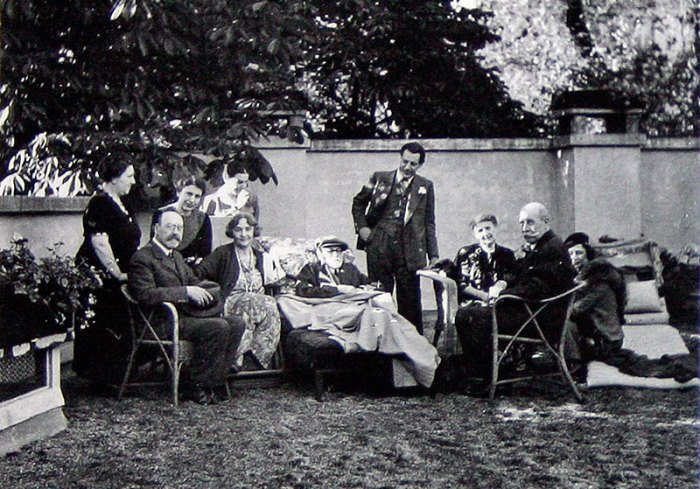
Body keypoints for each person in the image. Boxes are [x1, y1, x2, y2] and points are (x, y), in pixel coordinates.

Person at [277, 236, 441, 388]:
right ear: (321, 253)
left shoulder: (350, 269)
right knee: (378, 316)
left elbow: (372, 284)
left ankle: (423, 361)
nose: (336, 255)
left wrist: (369, 287)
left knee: (388, 319)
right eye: (330, 251)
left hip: (357, 308)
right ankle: (422, 363)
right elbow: (304, 291)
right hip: (332, 310)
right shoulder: (312, 269)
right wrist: (338, 290)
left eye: (338, 251)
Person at [454, 202, 577, 390]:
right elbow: (520, 275)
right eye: (522, 223)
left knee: (468, 316)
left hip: (541, 319)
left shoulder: (552, 248)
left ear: (546, 222)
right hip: (533, 312)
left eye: (530, 222)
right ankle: (489, 371)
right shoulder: (540, 245)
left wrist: (502, 295)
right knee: (472, 313)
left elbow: (537, 288)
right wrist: (503, 283)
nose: (525, 228)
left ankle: (488, 375)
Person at [128, 209, 245, 404]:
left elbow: (193, 280)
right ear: (156, 228)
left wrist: (208, 290)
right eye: (170, 227)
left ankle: (214, 381)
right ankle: (195, 385)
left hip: (184, 318)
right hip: (160, 323)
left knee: (236, 323)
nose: (175, 233)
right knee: (218, 326)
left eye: (179, 228)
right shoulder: (142, 258)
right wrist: (185, 292)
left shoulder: (176, 256)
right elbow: (145, 294)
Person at [351, 141, 439, 333]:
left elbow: (429, 222)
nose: (407, 167)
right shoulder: (379, 178)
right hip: (379, 246)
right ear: (400, 158)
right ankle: (378, 342)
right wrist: (363, 228)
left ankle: (412, 345)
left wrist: (433, 255)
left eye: (413, 164)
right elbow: (358, 203)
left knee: (410, 302)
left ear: (420, 165)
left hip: (410, 251)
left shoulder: (425, 186)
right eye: (405, 161)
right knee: (380, 297)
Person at [73, 150, 142, 386]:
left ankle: (118, 374)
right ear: (114, 178)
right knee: (103, 321)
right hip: (100, 273)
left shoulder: (125, 203)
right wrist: (117, 273)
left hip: (120, 271)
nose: (133, 181)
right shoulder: (99, 204)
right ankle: (101, 377)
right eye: (129, 176)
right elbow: (100, 243)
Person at [196, 212, 284, 370]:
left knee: (271, 305)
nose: (243, 234)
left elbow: (273, 281)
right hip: (231, 303)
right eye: (238, 230)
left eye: (247, 229)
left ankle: (255, 359)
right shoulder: (223, 253)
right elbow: (199, 272)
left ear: (253, 231)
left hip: (260, 305)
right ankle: (237, 357)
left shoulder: (261, 257)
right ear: (232, 232)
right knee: (251, 301)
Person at [564, 232, 625, 362]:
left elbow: (575, 310)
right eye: (570, 254)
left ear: (588, 254)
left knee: (565, 324)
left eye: (579, 253)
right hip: (598, 333)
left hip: (607, 342)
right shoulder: (583, 278)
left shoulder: (598, 282)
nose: (574, 258)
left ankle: (574, 362)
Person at [444, 213, 517, 306]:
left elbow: (513, 278)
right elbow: (460, 283)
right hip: (472, 303)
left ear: (495, 229)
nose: (485, 233)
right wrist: (484, 296)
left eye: (488, 228)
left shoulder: (507, 254)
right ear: (476, 235)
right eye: (480, 231)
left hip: (500, 303)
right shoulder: (466, 254)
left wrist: (501, 285)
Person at [154, 175, 212, 265]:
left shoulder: (202, 219)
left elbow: (205, 253)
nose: (192, 200)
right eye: (189, 194)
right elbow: (155, 247)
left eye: (197, 196)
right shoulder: (161, 214)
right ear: (179, 192)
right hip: (163, 266)